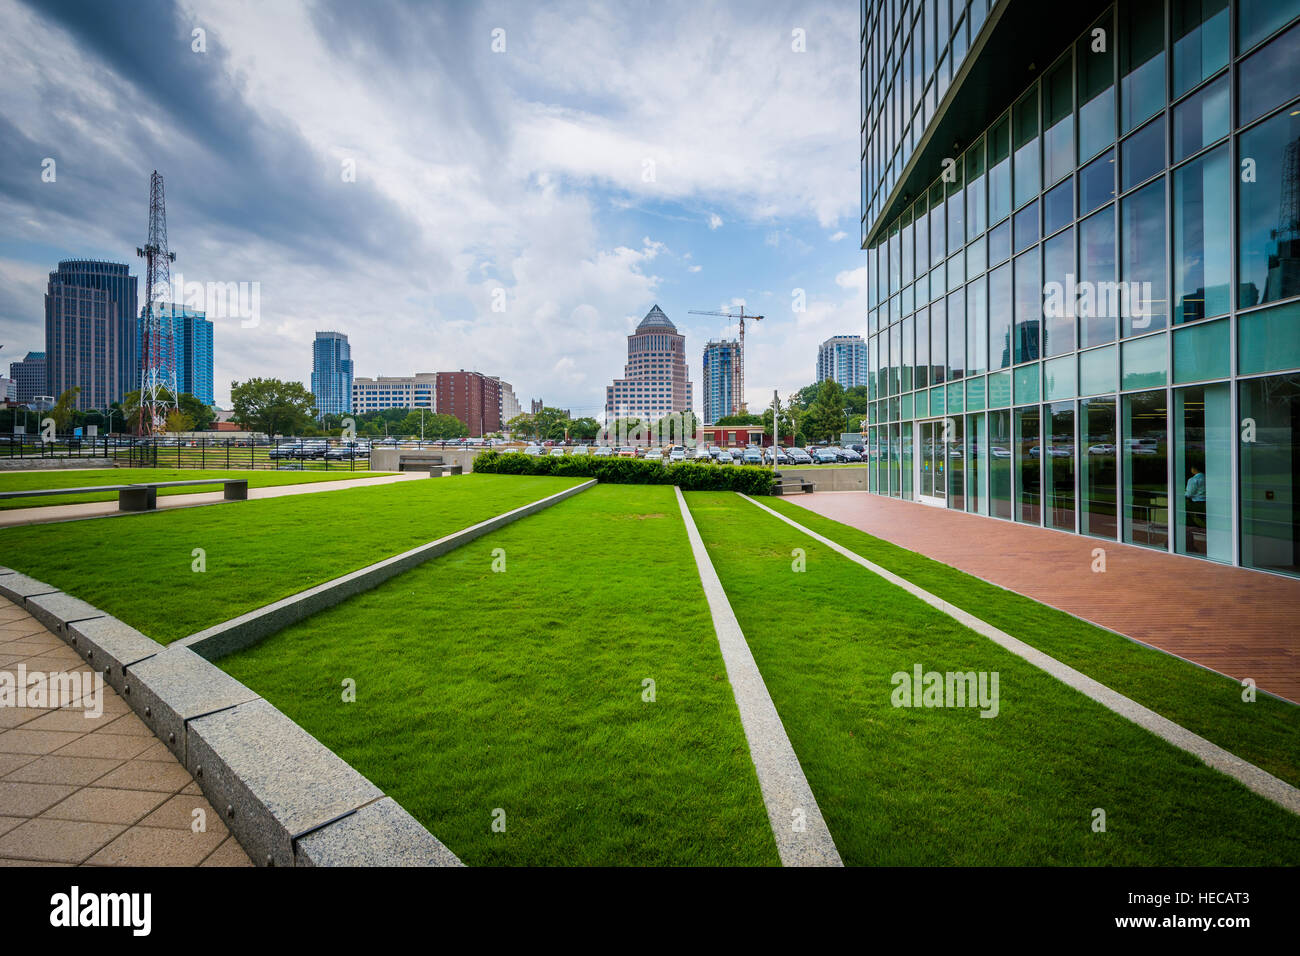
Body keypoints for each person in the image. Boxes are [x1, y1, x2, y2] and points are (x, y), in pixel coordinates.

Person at [1184, 463, 1206, 554]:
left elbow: (1189, 493)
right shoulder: (1206, 477)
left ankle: (1188, 543)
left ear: (1194, 469)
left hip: (1196, 502)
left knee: (1190, 521)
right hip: (1205, 502)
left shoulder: (1193, 480)